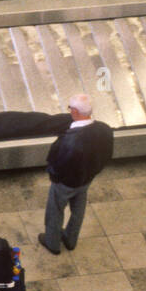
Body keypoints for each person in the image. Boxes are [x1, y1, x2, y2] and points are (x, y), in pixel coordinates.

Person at [39, 93, 114, 255]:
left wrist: (55, 177)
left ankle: (52, 243)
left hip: (65, 183)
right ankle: (71, 239)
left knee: (56, 209)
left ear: (74, 111)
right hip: (86, 178)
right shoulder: (105, 129)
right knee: (78, 209)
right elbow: (107, 154)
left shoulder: (70, 140)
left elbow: (57, 163)